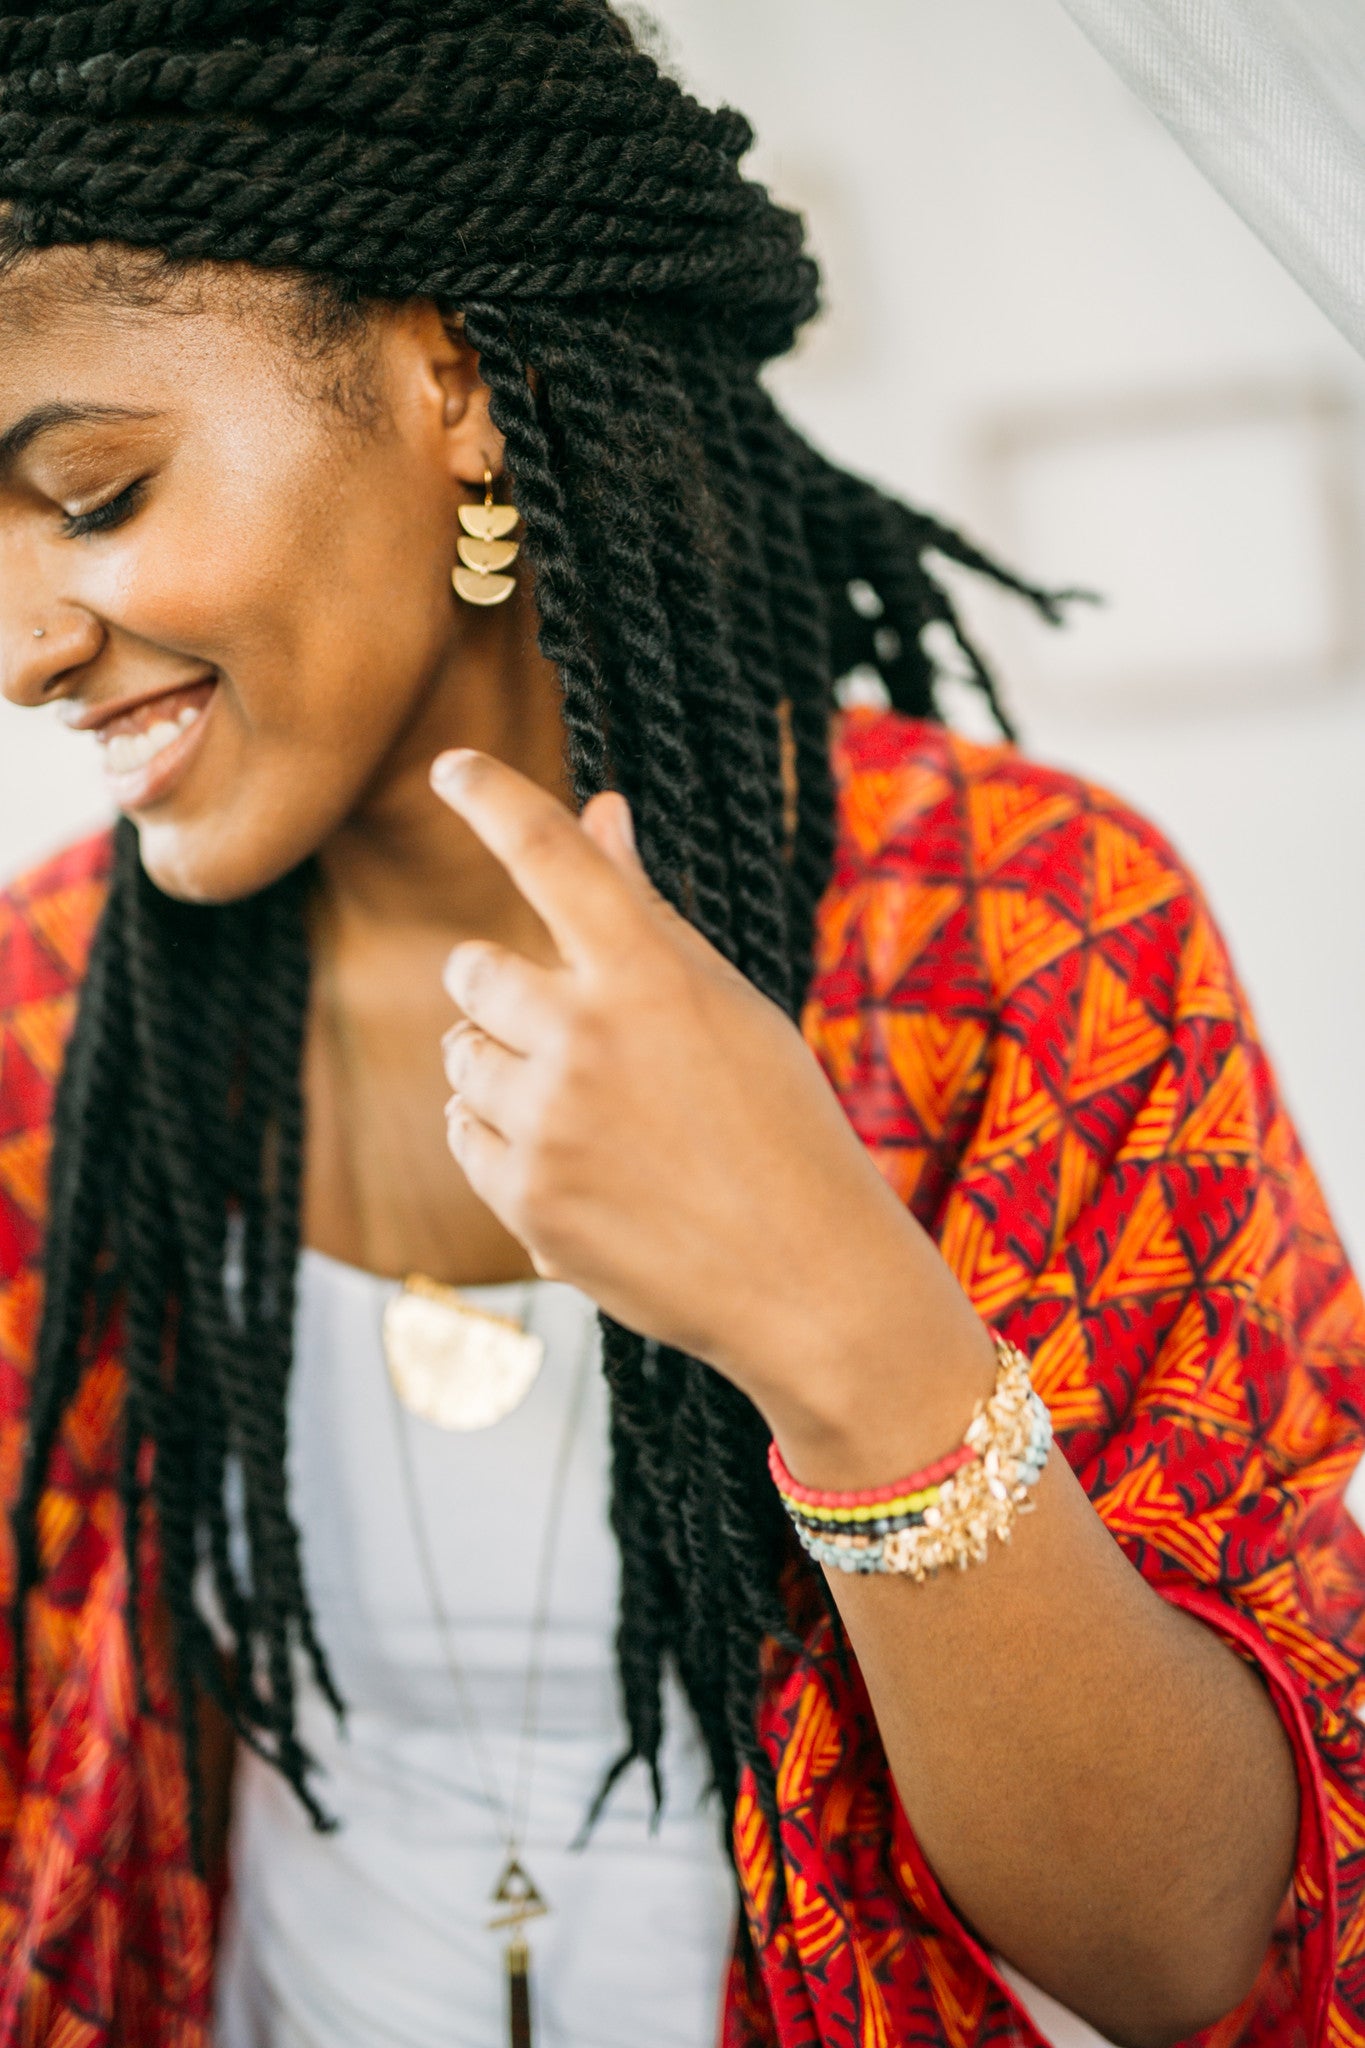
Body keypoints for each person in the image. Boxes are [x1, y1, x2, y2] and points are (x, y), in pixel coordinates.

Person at [0, 4, 1361, 2046]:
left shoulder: (1021, 936)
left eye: (93, 493)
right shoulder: (43, 1018)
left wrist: (837, 1316)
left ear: (456, 387)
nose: (23, 646)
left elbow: (1182, 1944)